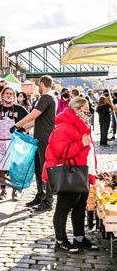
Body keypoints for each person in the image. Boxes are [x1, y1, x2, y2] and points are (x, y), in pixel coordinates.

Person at [41, 97, 99, 253]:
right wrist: (82, 143)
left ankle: (79, 238)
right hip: (69, 173)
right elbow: (61, 151)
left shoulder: (81, 126)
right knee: (63, 207)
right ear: (77, 110)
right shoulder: (64, 127)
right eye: (86, 109)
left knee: (80, 205)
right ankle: (60, 241)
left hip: (81, 171)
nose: (88, 112)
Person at [14, 75, 56, 212]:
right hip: (41, 138)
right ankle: (40, 195)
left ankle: (48, 200)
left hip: (45, 139)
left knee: (46, 169)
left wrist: (17, 124)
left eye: (38, 84)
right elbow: (38, 120)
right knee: (38, 169)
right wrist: (23, 128)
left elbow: (33, 115)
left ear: (42, 84)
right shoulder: (51, 97)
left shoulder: (46, 97)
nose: (38, 87)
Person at [0, 86, 28, 200]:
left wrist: (23, 130)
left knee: (14, 168)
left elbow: (31, 121)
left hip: (15, 143)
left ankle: (15, 191)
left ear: (14, 97)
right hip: (0, 143)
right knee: (0, 169)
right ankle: (3, 191)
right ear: (2, 96)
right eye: (7, 93)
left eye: (11, 94)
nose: (9, 95)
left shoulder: (20, 109)